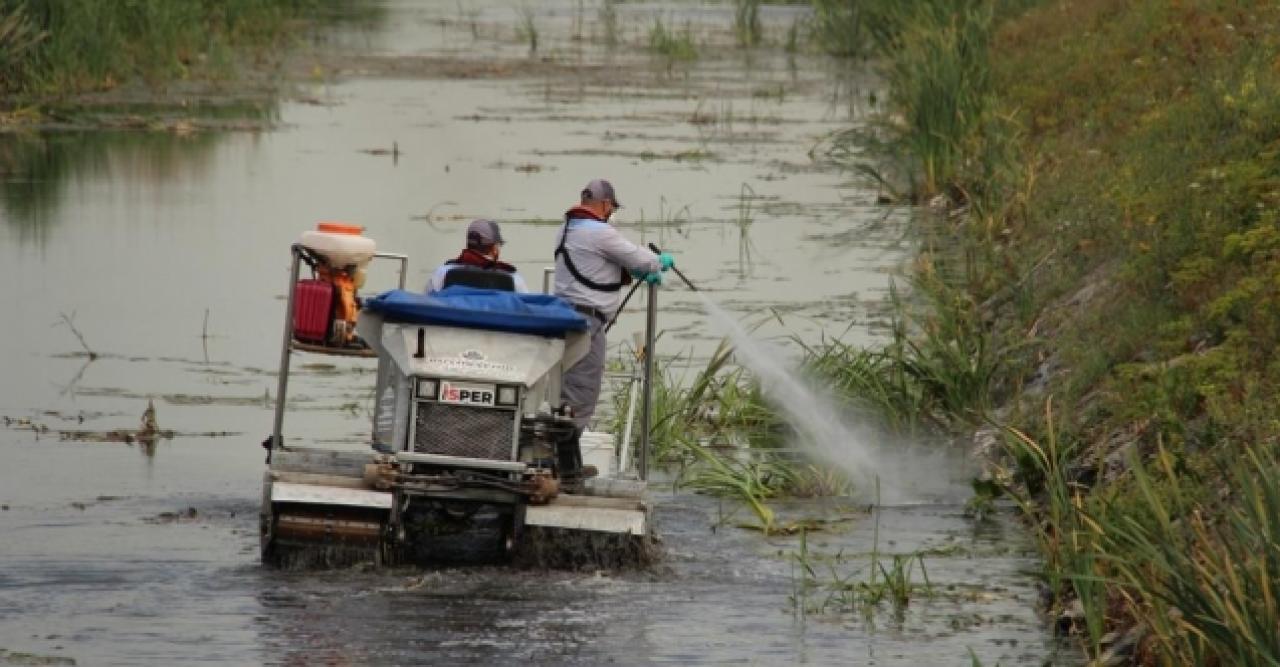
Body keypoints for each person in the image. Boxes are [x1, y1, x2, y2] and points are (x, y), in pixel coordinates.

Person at [554, 178, 674, 429]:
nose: (612, 214)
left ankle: (562, 458)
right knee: (582, 392)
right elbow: (638, 258)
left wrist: (627, 272)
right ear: (606, 204)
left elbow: (594, 266)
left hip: (564, 317)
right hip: (586, 323)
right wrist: (658, 261)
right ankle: (563, 464)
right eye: (612, 209)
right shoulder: (600, 232)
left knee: (566, 391)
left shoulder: (566, 229)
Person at [426, 219, 528, 294]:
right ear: (494, 248)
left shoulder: (442, 273)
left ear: (468, 244)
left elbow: (428, 302)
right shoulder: (514, 279)